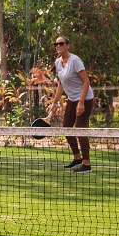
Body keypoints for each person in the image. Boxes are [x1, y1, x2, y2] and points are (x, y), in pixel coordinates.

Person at [47, 36, 94, 174]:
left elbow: (86, 82)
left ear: (68, 45)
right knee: (66, 128)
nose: (58, 46)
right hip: (72, 100)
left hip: (85, 99)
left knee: (80, 129)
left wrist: (81, 102)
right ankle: (77, 158)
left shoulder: (75, 61)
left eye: (61, 43)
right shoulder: (57, 63)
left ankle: (87, 164)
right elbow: (61, 84)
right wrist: (54, 102)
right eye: (56, 44)